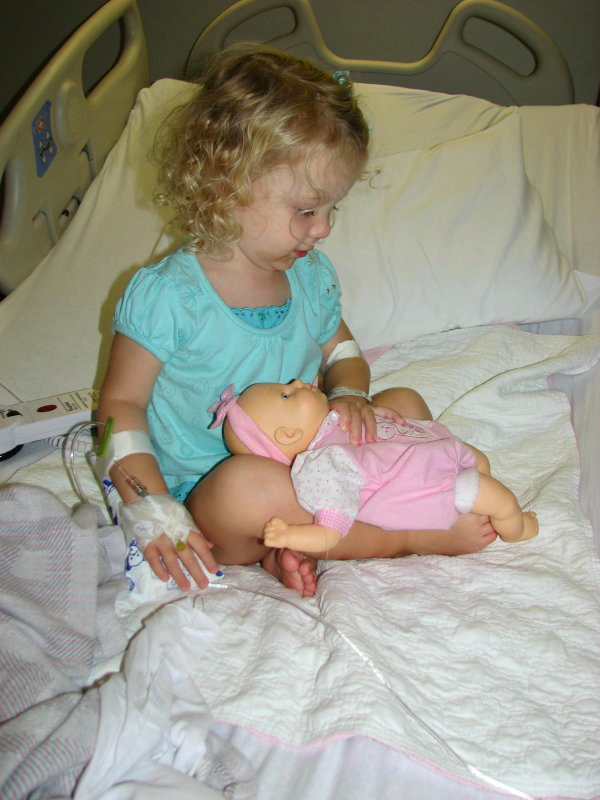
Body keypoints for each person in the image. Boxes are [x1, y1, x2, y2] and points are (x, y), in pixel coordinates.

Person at [98, 46, 497, 598]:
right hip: (211, 497)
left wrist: (350, 394)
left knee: (403, 402)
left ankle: (290, 547)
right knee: (249, 486)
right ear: (225, 187)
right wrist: (154, 508)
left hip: (320, 461)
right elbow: (120, 406)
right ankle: (406, 535)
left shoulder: (309, 277)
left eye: (333, 209)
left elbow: (343, 352)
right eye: (308, 210)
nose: (324, 228)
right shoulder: (169, 296)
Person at [210, 380, 538, 553]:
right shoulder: (324, 466)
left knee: (406, 399)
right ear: (288, 435)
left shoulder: (331, 421)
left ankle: (474, 498)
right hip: (426, 483)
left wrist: (367, 412)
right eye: (287, 394)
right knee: (497, 498)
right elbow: (331, 527)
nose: (297, 381)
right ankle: (516, 528)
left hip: (427, 451)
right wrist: (291, 535)